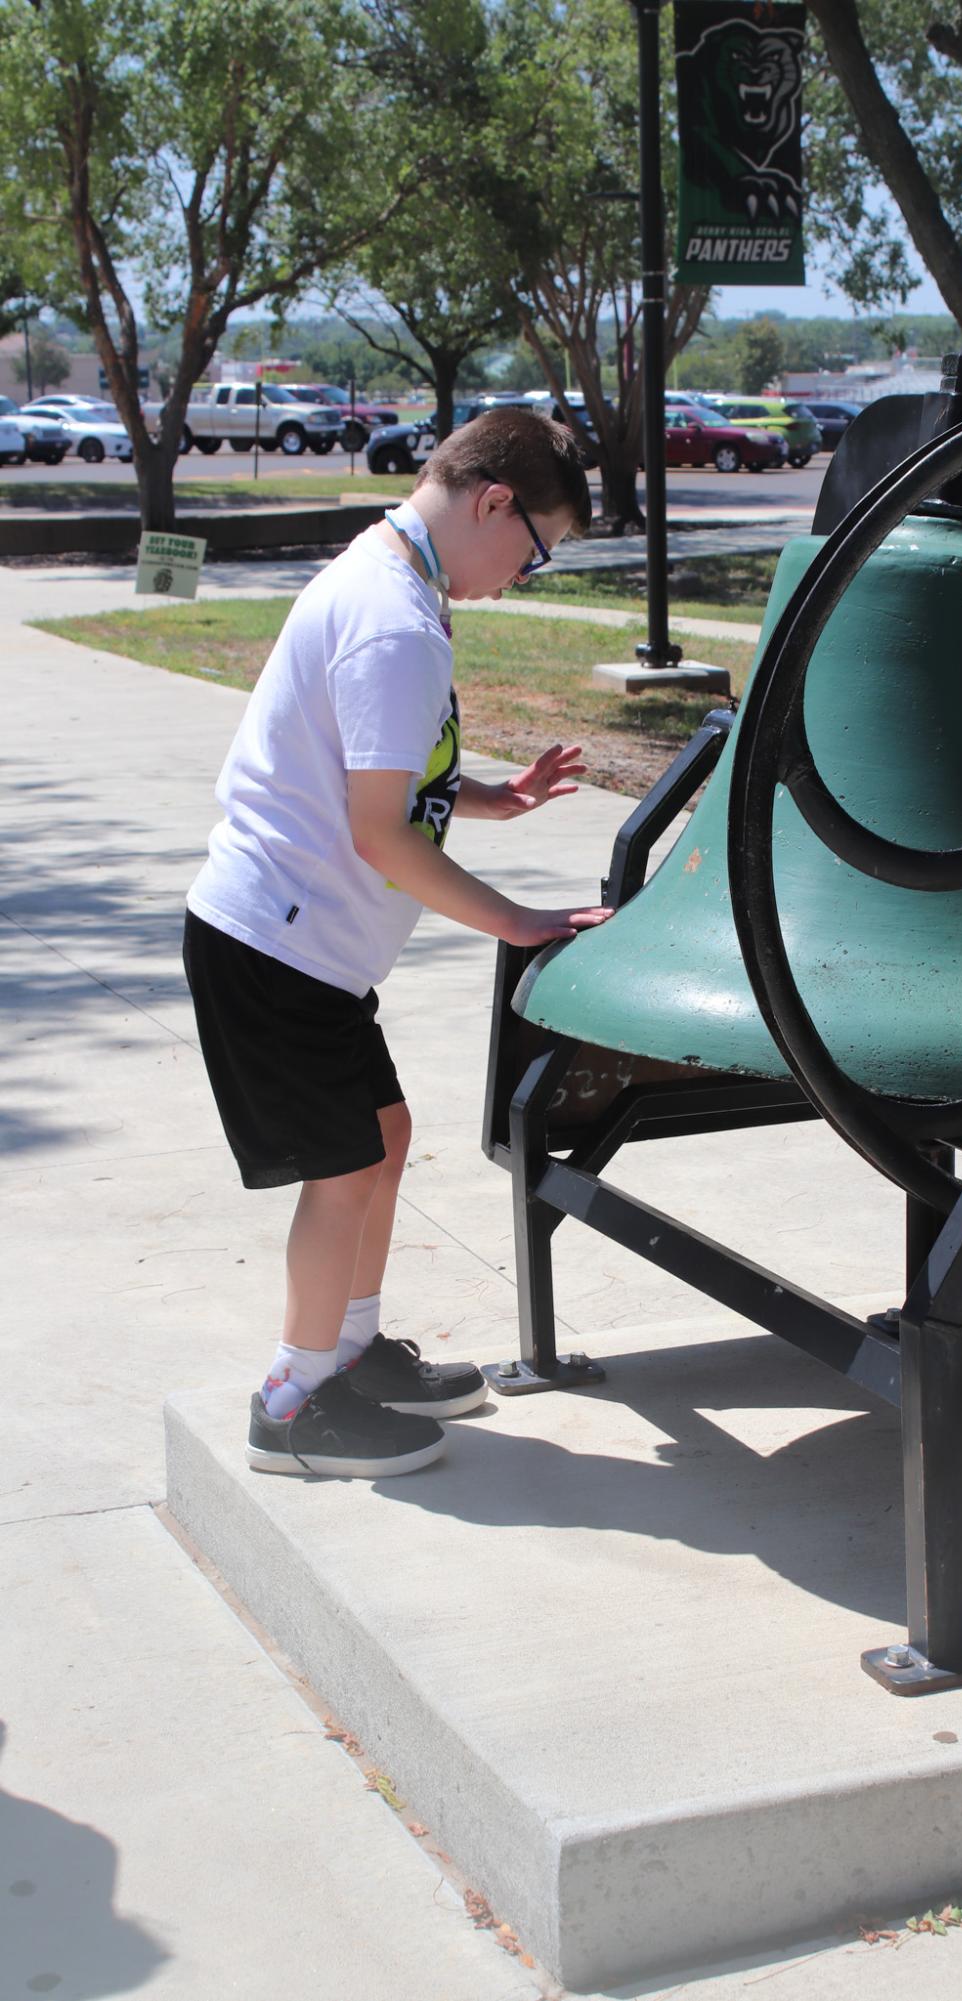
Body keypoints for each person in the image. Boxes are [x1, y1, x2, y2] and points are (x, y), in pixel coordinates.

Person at [182, 407, 610, 1479]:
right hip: (275, 946)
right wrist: (517, 920)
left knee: (382, 1135)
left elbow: (375, 773)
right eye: (535, 551)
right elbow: (379, 835)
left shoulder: (393, 582)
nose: (522, 574)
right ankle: (293, 1403)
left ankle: (352, 1350)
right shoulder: (394, 620)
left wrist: (495, 799)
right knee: (341, 1169)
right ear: (493, 503)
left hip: (303, 946)